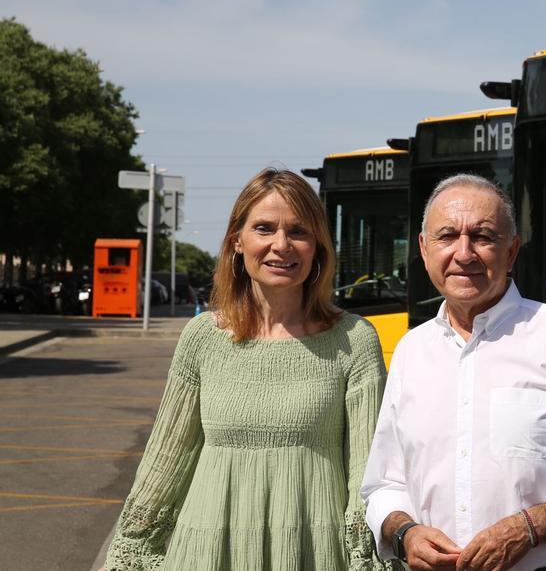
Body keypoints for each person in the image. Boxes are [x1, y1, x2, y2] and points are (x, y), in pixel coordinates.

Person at [361, 174, 546, 571]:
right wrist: (404, 531)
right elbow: (383, 483)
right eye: (447, 236)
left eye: (483, 236)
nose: (464, 253)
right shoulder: (412, 350)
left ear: (511, 251)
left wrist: (530, 527)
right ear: (424, 250)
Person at [103, 168, 388, 571]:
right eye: (264, 228)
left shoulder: (354, 339)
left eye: (299, 231)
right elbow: (166, 459)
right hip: (206, 550)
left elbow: (367, 475)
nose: (281, 245)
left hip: (311, 551)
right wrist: (126, 555)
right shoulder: (202, 337)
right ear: (238, 241)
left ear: (318, 245)